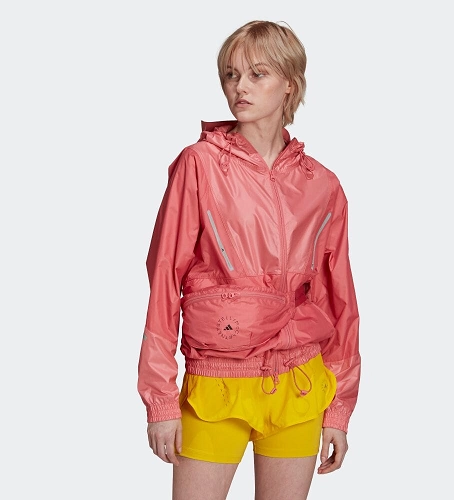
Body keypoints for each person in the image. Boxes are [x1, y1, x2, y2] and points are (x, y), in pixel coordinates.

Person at [138, 20, 361, 500]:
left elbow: (339, 299)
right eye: (231, 74)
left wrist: (340, 407)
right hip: (217, 381)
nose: (240, 87)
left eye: (258, 74)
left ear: (290, 84)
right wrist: (160, 400)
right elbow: (164, 278)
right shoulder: (199, 164)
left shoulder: (323, 185)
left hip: (300, 384)